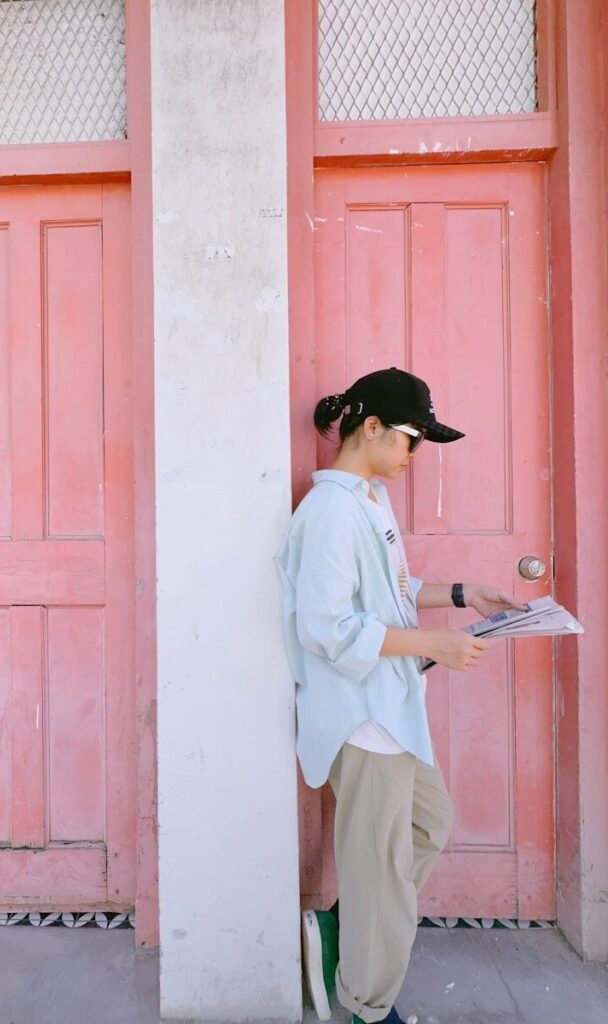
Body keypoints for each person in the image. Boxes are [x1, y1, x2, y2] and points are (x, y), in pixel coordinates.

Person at [276, 367, 524, 1024]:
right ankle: (364, 1004)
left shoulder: (368, 501)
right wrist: (433, 646)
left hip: (390, 708)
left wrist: (463, 596)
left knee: (425, 826)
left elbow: (387, 596)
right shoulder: (329, 511)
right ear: (373, 427)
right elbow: (324, 627)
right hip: (361, 716)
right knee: (381, 867)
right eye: (412, 439)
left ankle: (341, 932)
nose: (415, 456)